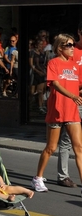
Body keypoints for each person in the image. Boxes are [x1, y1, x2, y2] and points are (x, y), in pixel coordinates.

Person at [32, 34, 82, 192]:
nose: (72, 48)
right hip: (57, 110)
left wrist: (77, 93)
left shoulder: (75, 65)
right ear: (60, 47)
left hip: (72, 112)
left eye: (73, 45)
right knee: (51, 148)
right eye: (69, 45)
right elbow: (55, 83)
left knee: (79, 148)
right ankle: (38, 178)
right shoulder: (53, 63)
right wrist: (73, 96)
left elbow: (78, 85)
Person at [57, 22, 82, 188]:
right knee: (67, 140)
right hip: (75, 99)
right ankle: (63, 175)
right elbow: (63, 76)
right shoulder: (73, 51)